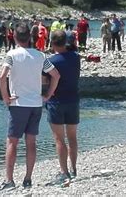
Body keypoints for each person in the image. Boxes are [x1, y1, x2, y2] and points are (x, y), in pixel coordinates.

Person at [0, 23, 60, 191]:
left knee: (12, 142)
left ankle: (9, 180)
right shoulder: (40, 55)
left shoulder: (12, 54)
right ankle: (27, 178)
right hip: (36, 104)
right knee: (31, 142)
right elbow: (56, 75)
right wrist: (48, 95)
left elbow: (1, 77)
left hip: (18, 104)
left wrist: (5, 98)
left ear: (15, 37)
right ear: (30, 38)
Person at [45, 30, 81, 185]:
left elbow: (45, 83)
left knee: (59, 139)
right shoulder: (76, 58)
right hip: (73, 100)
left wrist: (44, 95)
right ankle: (73, 169)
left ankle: (64, 172)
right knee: (72, 137)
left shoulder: (51, 61)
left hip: (56, 102)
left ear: (52, 42)